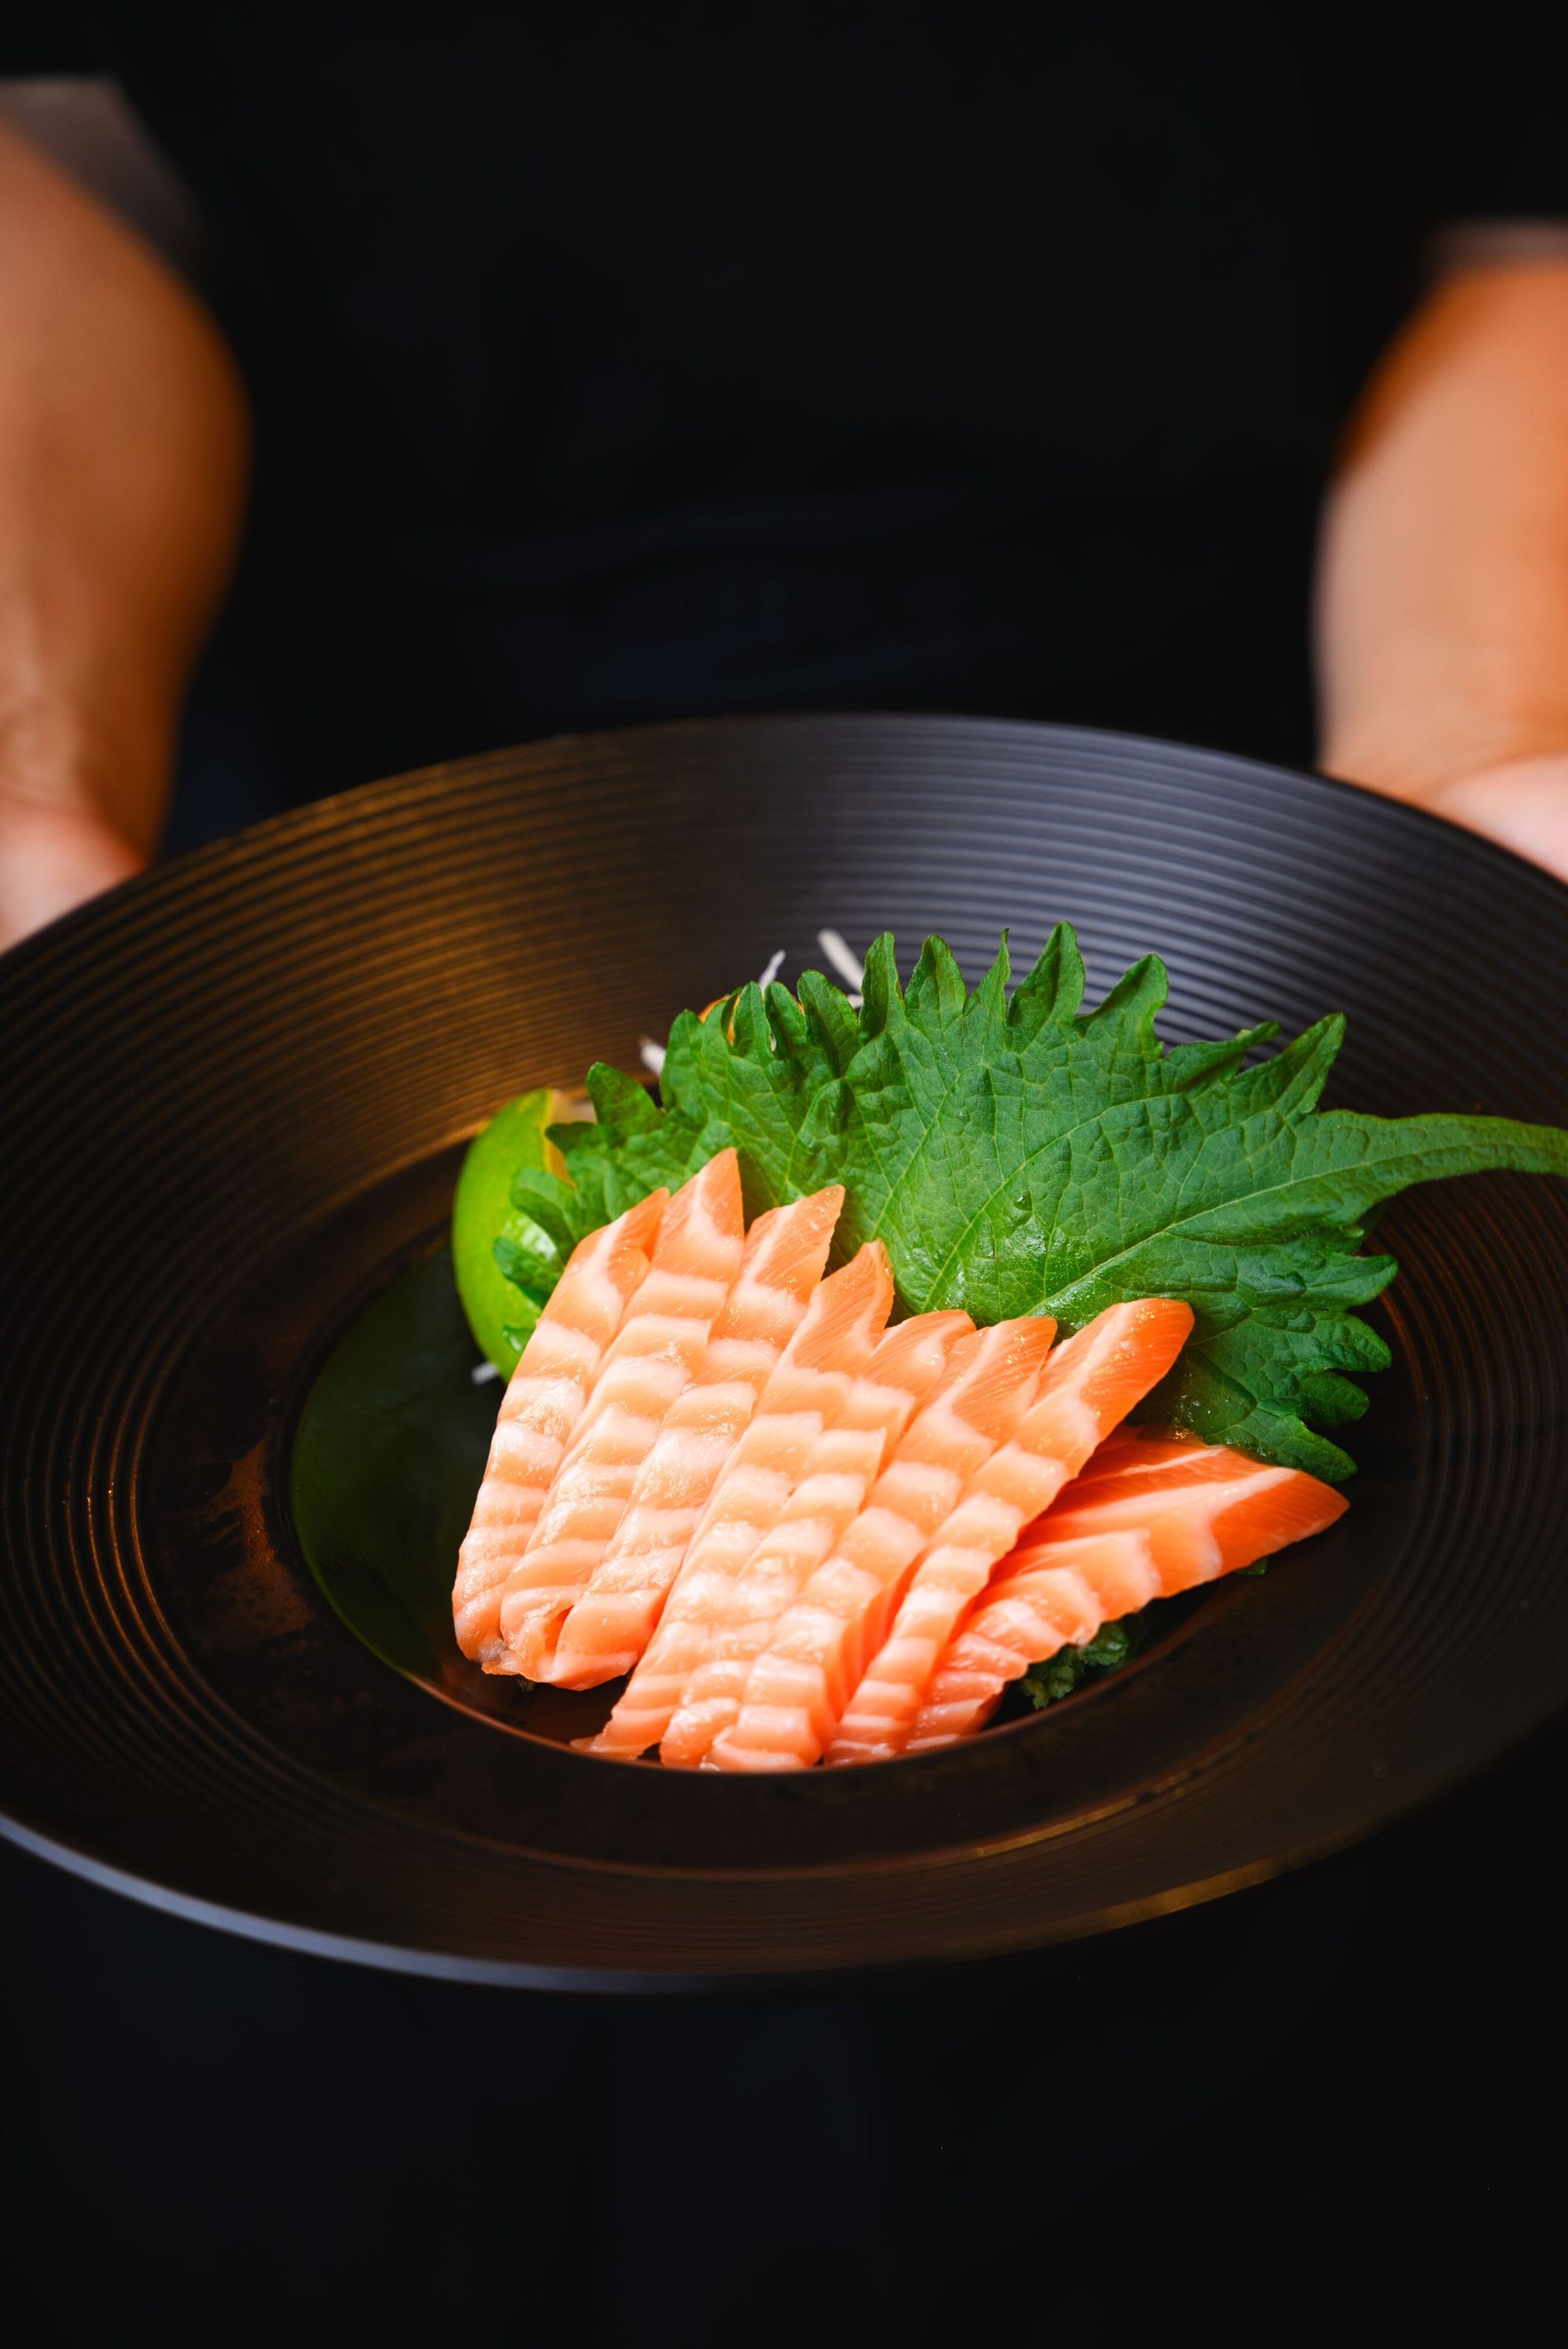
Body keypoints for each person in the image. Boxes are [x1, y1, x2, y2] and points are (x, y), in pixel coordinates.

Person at [2, 13, 1566, 2344]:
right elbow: (69, 178)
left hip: (1227, 833)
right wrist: (31, 778)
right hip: (374, 884)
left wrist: (1475, 798)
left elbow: (1523, 233)